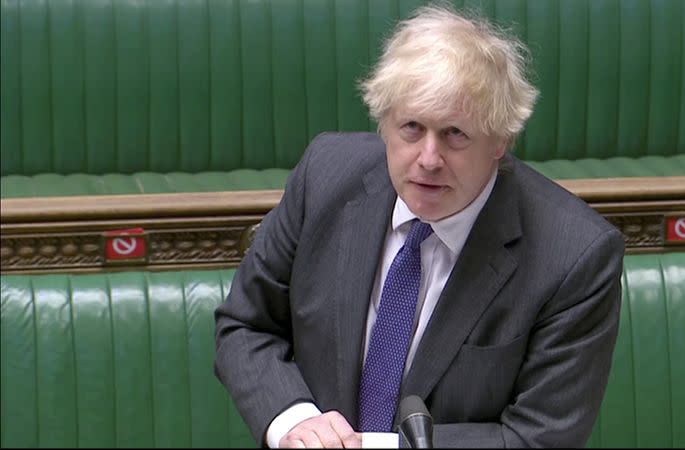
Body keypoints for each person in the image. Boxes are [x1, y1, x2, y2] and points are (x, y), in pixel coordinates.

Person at [214, 4, 625, 448]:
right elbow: (246, 325)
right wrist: (294, 421)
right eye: (412, 127)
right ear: (384, 123)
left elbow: (539, 439)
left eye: (455, 134)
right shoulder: (325, 178)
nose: (428, 159)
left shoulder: (575, 254)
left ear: (500, 140)